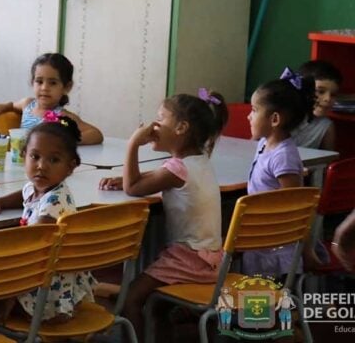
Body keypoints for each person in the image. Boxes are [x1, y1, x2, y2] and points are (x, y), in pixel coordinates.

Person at [98, 89, 229, 339]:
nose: (153, 125)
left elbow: (133, 188)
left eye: (160, 118)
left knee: (131, 298)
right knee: (160, 305)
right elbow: (159, 176)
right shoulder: (199, 160)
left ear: (181, 127)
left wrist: (133, 144)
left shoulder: (176, 168)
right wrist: (126, 176)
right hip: (212, 258)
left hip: (188, 259)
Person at [0, 113, 95, 324]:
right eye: (35, 157)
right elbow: (24, 193)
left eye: (54, 160)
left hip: (46, 290)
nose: (41, 166)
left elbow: (32, 250)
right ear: (23, 155)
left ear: (71, 166)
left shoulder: (54, 202)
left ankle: (1, 312)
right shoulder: (39, 186)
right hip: (39, 275)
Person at [242, 68, 316, 279]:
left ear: (274, 119)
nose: (249, 116)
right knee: (256, 303)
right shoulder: (265, 144)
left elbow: (297, 206)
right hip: (260, 242)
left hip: (277, 249)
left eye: (254, 110)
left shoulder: (283, 156)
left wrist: (307, 250)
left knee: (268, 304)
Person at [0, 52, 103, 145]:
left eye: (53, 83)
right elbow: (13, 105)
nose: (44, 88)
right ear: (32, 82)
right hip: (21, 162)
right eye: (39, 81)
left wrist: (65, 141)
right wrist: (3, 107)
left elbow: (96, 134)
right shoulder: (27, 105)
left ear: (66, 87)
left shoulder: (62, 116)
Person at [292, 60, 342, 150]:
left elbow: (328, 160)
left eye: (333, 94)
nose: (328, 98)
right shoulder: (283, 116)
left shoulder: (326, 126)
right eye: (320, 91)